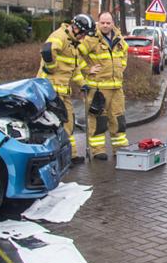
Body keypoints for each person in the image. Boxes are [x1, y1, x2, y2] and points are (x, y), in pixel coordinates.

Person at [37, 14, 95, 164]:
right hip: (51, 91)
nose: (83, 37)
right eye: (83, 33)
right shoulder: (60, 36)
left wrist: (82, 83)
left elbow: (74, 69)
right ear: (75, 28)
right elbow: (47, 51)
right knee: (55, 125)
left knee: (68, 123)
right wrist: (50, 67)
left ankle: (71, 156)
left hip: (63, 91)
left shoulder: (73, 43)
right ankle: (57, 157)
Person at [79, 12, 129, 160]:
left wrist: (120, 68)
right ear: (98, 23)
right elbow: (76, 55)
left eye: (108, 23)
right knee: (98, 119)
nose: (105, 25)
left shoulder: (119, 38)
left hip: (116, 87)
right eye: (103, 23)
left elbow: (124, 55)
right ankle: (98, 150)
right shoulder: (91, 39)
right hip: (98, 89)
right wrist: (88, 69)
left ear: (113, 23)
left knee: (118, 118)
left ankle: (120, 148)